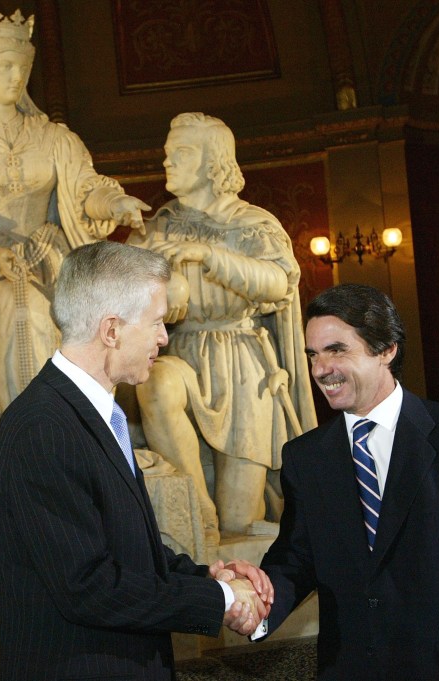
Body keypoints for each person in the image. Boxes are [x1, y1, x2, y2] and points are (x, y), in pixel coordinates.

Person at [0, 240, 275, 681]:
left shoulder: (90, 414)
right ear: (112, 330)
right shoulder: (42, 427)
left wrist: (206, 579)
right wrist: (220, 600)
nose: (164, 336)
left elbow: (124, 550)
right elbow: (89, 587)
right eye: (157, 321)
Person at [257, 283, 439, 680]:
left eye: (337, 350)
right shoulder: (305, 457)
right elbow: (296, 559)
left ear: (387, 349)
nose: (321, 369)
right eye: (313, 355)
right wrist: (254, 599)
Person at [0, 8, 149, 427]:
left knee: (81, 309)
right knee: (11, 303)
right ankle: (18, 427)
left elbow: (84, 192)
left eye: (22, 67)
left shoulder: (54, 137)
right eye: (4, 66)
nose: (15, 76)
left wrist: (113, 205)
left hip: (50, 255)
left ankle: (74, 425)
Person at [130, 112, 316, 542]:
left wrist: (208, 256)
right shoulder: (158, 227)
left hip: (243, 368)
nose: (167, 162)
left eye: (181, 153)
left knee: (240, 525)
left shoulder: (252, 223)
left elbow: (279, 281)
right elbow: (120, 293)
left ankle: (246, 597)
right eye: (167, 153)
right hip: (179, 352)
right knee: (155, 384)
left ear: (213, 161)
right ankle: (196, 512)